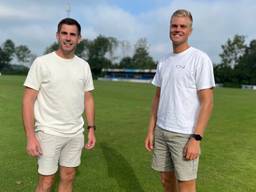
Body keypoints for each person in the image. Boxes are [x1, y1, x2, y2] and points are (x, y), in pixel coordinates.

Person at [144, 9, 215, 192]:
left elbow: (207, 102)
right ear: (169, 28)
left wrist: (196, 138)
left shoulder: (199, 59)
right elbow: (158, 97)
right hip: (162, 131)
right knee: (166, 181)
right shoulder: (164, 61)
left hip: (185, 134)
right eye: (174, 26)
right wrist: (151, 130)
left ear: (190, 31)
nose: (178, 29)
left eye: (183, 26)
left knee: (186, 185)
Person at [22, 18, 96, 192]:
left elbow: (88, 98)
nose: (68, 38)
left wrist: (91, 128)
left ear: (79, 38)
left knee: (69, 176)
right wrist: (30, 136)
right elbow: (28, 100)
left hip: (75, 133)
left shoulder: (84, 66)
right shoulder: (42, 63)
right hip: (48, 132)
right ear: (57, 36)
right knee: (46, 182)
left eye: (72, 34)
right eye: (64, 33)